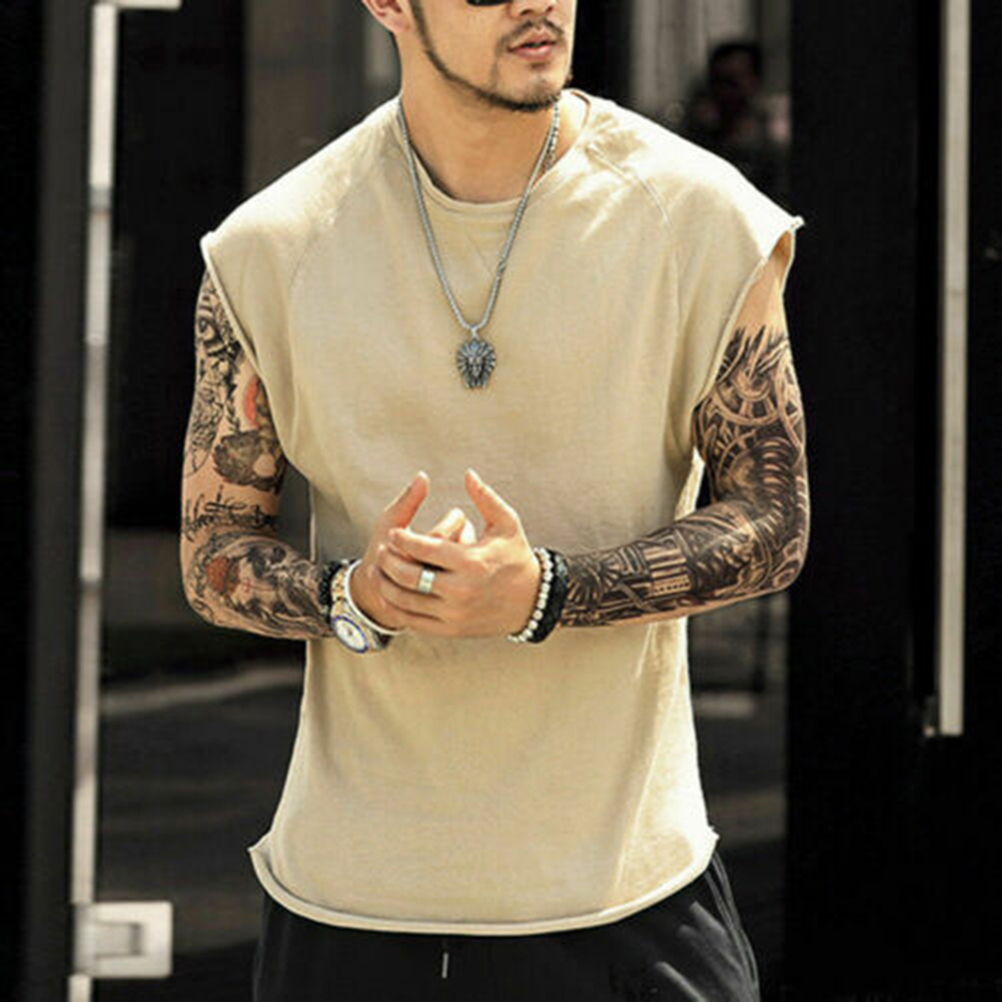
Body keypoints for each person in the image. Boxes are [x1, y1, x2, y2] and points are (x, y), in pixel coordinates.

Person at [179, 1, 809, 998]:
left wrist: (548, 593)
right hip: (350, 904)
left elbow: (775, 520)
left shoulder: (700, 218)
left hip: (627, 902)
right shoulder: (272, 247)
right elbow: (214, 551)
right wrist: (354, 597)